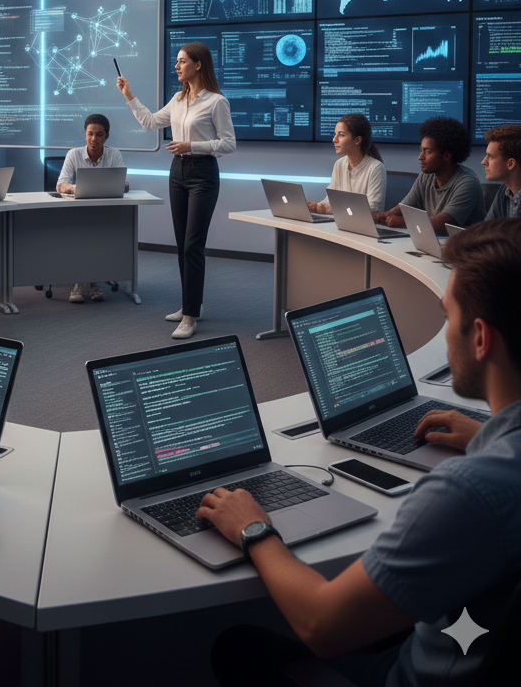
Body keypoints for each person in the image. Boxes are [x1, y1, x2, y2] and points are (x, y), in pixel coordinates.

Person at [202, 218, 521, 687]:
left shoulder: (468, 492)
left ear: (479, 337)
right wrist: (489, 434)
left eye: (447, 316)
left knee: (238, 647)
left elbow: (321, 626)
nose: (445, 331)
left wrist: (254, 528)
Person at [118, 41, 235, 340]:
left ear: (198, 65)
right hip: (178, 172)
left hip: (203, 173)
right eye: (177, 61)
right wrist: (129, 96)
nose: (177, 66)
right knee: (182, 244)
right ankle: (190, 305)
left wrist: (191, 145)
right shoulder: (178, 99)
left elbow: (228, 143)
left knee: (193, 246)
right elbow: (150, 123)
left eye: (182, 61)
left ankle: (190, 316)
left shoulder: (216, 101)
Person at [373, 116, 486, 233]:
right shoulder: (426, 176)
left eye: (428, 152)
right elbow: (403, 209)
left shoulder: (467, 183)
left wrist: (401, 222)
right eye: (421, 150)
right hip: (437, 242)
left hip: (466, 247)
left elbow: (442, 224)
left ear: (447, 156)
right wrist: (375, 217)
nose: (420, 157)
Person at [57, 113, 125, 304]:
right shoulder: (74, 154)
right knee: (81, 233)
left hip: (103, 211)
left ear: (107, 136)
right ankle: (80, 281)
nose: (94, 139)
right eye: (90, 134)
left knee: (97, 233)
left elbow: (122, 184)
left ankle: (92, 279)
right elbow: (60, 185)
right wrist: (75, 188)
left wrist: (120, 185)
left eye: (99, 135)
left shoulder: (114, 154)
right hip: (76, 211)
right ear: (85, 134)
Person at [307, 113, 387, 214]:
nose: (334, 140)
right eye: (335, 134)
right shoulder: (339, 164)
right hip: (341, 223)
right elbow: (331, 199)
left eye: (341, 135)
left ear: (357, 140)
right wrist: (317, 207)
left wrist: (326, 209)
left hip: (362, 227)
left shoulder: (376, 168)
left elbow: (373, 208)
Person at [481, 123, 521, 220]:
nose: (483, 162)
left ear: (510, 164)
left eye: (491, 157)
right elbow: (487, 229)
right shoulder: (505, 190)